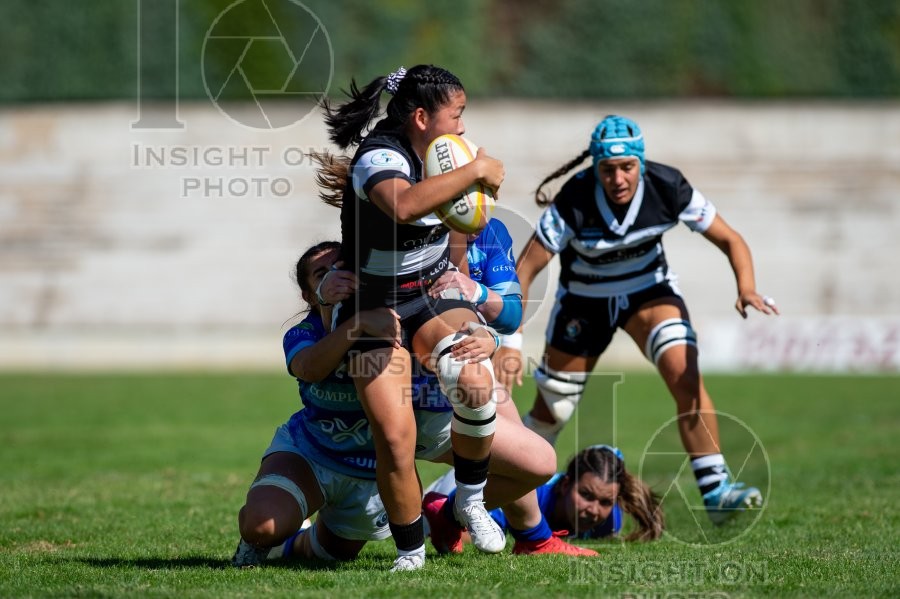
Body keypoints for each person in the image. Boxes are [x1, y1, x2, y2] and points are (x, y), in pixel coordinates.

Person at [502, 115, 776, 524]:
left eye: (627, 167)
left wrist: (747, 287)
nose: (618, 178)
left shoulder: (668, 186)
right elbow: (524, 271)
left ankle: (717, 491)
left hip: (649, 293)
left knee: (686, 376)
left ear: (641, 164)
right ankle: (500, 487)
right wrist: (511, 342)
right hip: (584, 301)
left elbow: (730, 238)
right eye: (608, 169)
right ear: (595, 167)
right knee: (553, 411)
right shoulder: (574, 198)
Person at [232, 242, 575, 569]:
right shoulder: (303, 333)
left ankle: (449, 514)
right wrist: (356, 326)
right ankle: (265, 542)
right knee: (262, 526)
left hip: (375, 468)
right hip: (315, 451)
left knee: (331, 554)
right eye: (321, 274)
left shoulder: (393, 316)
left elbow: (455, 327)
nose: (334, 276)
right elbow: (310, 367)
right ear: (310, 295)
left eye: (341, 268)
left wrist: (490, 337)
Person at [315, 64, 507, 570]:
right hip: (372, 304)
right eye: (457, 114)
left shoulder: (448, 154)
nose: (464, 127)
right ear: (422, 117)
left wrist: (475, 200)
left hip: (427, 293)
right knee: (395, 435)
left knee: (477, 381)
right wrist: (475, 174)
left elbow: (470, 219)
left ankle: (469, 499)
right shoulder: (378, 157)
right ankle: (410, 552)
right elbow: (401, 207)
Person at [320, 224, 597, 557]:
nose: (478, 205)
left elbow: (509, 314)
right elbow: (331, 328)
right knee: (329, 547)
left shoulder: (491, 234)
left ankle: (493, 526)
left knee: (532, 459)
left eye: (486, 193)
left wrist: (490, 324)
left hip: (449, 389)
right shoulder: (398, 239)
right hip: (386, 398)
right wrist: (324, 295)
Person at [427, 444, 664, 542]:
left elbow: (606, 452)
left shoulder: (610, 521)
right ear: (564, 484)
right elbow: (467, 533)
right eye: (586, 495)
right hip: (453, 491)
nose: (593, 509)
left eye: (605, 501)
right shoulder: (528, 494)